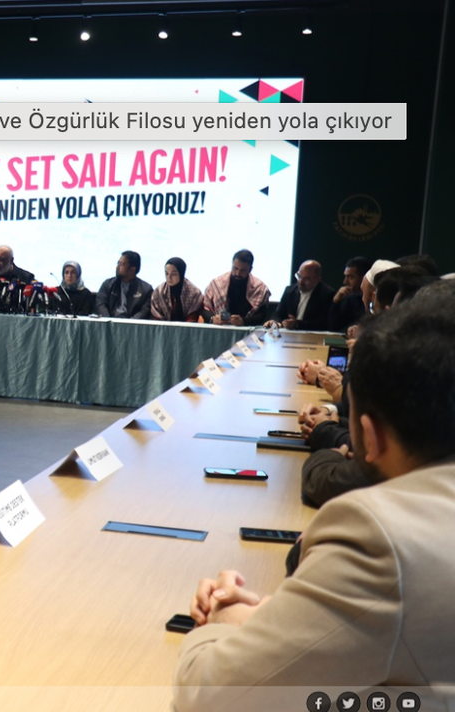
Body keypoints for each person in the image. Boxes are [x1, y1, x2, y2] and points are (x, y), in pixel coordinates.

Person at [173, 290, 455, 710]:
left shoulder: (377, 539)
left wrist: (223, 621)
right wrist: (283, 617)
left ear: (370, 436)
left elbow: (211, 695)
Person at [202, 249, 271, 326]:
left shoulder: (259, 288)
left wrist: (244, 321)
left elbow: (261, 315)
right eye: (235, 268)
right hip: (218, 327)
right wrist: (212, 318)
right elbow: (204, 308)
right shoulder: (217, 284)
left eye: (242, 270)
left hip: (247, 330)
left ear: (250, 269)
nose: (237, 273)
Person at [271, 260, 336, 330]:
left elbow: (324, 324)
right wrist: (275, 321)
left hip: (311, 335)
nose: (300, 282)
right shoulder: (289, 291)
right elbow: (278, 313)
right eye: (299, 276)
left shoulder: (327, 295)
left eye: (306, 279)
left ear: (318, 279)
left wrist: (297, 324)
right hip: (288, 333)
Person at [95, 250, 153, 319]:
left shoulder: (146, 289)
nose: (117, 267)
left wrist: (129, 323)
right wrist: (109, 321)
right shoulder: (108, 284)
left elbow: (144, 311)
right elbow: (100, 304)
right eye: (118, 263)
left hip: (132, 324)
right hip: (110, 322)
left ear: (132, 270)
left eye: (121, 264)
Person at [150, 257, 202, 322]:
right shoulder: (159, 292)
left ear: (181, 274)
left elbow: (192, 318)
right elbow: (156, 318)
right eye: (167, 273)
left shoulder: (194, 293)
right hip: (162, 327)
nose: (169, 277)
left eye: (173, 274)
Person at [330, 256, 370, 332]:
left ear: (364, 277)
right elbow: (334, 328)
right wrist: (336, 302)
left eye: (350, 277)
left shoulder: (373, 299)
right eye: (345, 277)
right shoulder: (349, 298)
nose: (345, 282)